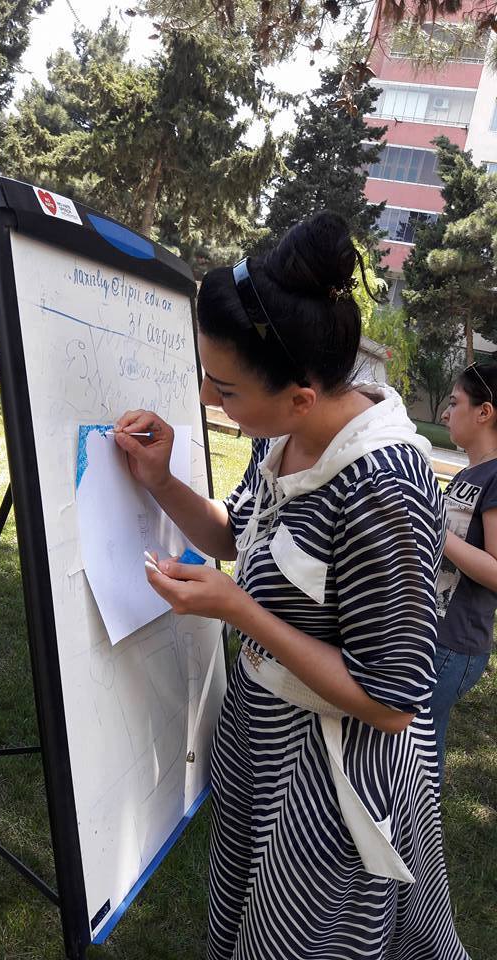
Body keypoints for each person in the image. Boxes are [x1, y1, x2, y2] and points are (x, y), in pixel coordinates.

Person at [114, 211, 469, 960]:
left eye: (226, 388)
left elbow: (392, 700)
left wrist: (238, 609)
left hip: (325, 784)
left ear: (302, 394)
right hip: (260, 746)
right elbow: (237, 534)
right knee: (242, 927)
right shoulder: (284, 437)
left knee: (296, 939)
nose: (209, 398)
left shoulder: (385, 490)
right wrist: (162, 481)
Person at [432, 362, 497, 782]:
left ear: (484, 412)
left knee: (414, 750)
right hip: (435, 632)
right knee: (414, 746)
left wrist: (435, 532)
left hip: (454, 644)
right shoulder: (468, 474)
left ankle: (411, 819)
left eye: (454, 403)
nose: (444, 413)